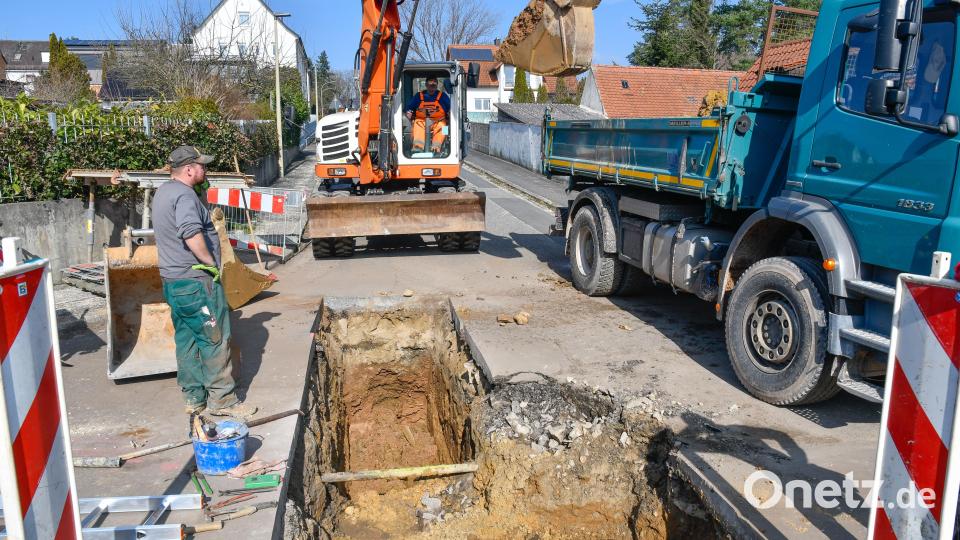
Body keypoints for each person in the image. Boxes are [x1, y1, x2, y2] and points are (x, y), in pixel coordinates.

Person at [151, 146, 257, 420]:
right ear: (188, 169)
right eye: (201, 166)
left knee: (186, 340)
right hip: (197, 282)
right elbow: (190, 232)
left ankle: (193, 397)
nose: (205, 169)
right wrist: (210, 263)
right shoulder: (185, 196)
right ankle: (223, 401)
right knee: (214, 339)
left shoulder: (163, 192)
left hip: (174, 282)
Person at [405, 76, 451, 153]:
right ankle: (417, 147)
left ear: (437, 85)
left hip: (440, 121)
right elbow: (409, 108)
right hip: (421, 120)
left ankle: (437, 148)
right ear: (426, 85)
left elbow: (450, 109)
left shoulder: (443, 96)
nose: (432, 87)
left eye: (434, 85)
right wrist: (409, 112)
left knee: (444, 128)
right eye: (430, 84)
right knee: (417, 125)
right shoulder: (418, 96)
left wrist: (449, 115)